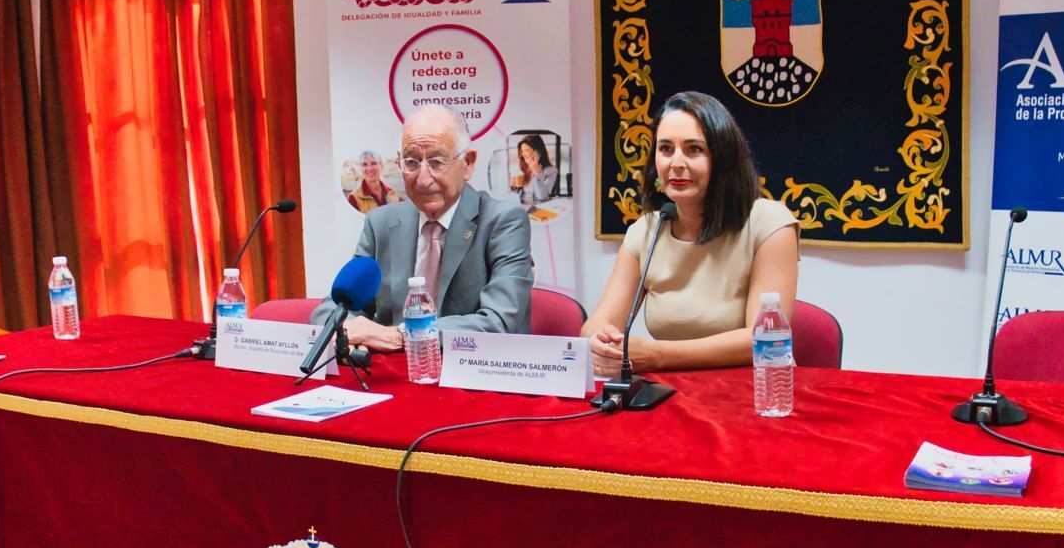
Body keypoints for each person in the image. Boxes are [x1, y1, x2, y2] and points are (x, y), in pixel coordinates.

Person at [582, 91, 798, 376]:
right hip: (671, 393)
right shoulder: (646, 230)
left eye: (694, 149)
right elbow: (594, 325)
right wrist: (600, 342)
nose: (676, 162)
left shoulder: (769, 222)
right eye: (666, 149)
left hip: (753, 391)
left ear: (723, 159)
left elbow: (761, 338)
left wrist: (656, 355)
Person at [313, 105, 532, 351]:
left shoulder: (502, 221)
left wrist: (401, 336)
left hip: (470, 375)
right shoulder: (381, 222)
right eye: (411, 162)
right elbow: (334, 306)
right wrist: (348, 332)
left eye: (437, 162)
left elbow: (500, 322)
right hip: (393, 377)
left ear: (468, 163)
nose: (423, 178)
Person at [510, 134, 559, 206]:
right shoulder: (520, 169)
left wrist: (537, 173)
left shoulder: (551, 170)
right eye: (522, 151)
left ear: (538, 152)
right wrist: (513, 188)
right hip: (522, 208)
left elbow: (543, 197)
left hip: (541, 209)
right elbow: (515, 197)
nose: (522, 155)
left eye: (526, 150)